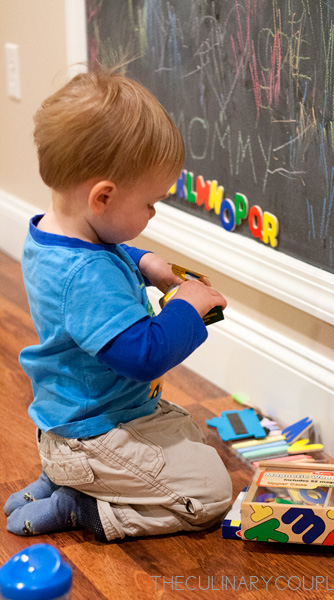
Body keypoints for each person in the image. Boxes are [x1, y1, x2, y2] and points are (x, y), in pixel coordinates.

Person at [4, 69, 232, 542]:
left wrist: (144, 260)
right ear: (103, 197)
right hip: (95, 432)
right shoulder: (86, 275)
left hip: (79, 418)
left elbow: (105, 253)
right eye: (151, 203)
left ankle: (64, 474)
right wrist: (186, 308)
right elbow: (140, 356)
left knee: (192, 437)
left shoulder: (54, 234)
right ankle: (81, 505)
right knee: (211, 494)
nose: (153, 214)